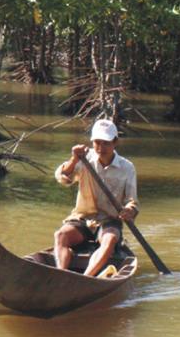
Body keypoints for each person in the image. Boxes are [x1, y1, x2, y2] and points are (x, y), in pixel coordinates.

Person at [52, 118, 138, 277]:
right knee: (60, 235)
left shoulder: (127, 167)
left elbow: (132, 202)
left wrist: (129, 211)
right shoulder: (84, 159)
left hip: (108, 220)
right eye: (97, 142)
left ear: (115, 142)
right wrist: (74, 159)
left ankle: (87, 278)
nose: (101, 147)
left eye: (106, 143)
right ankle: (61, 275)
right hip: (82, 218)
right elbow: (63, 178)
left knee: (110, 239)